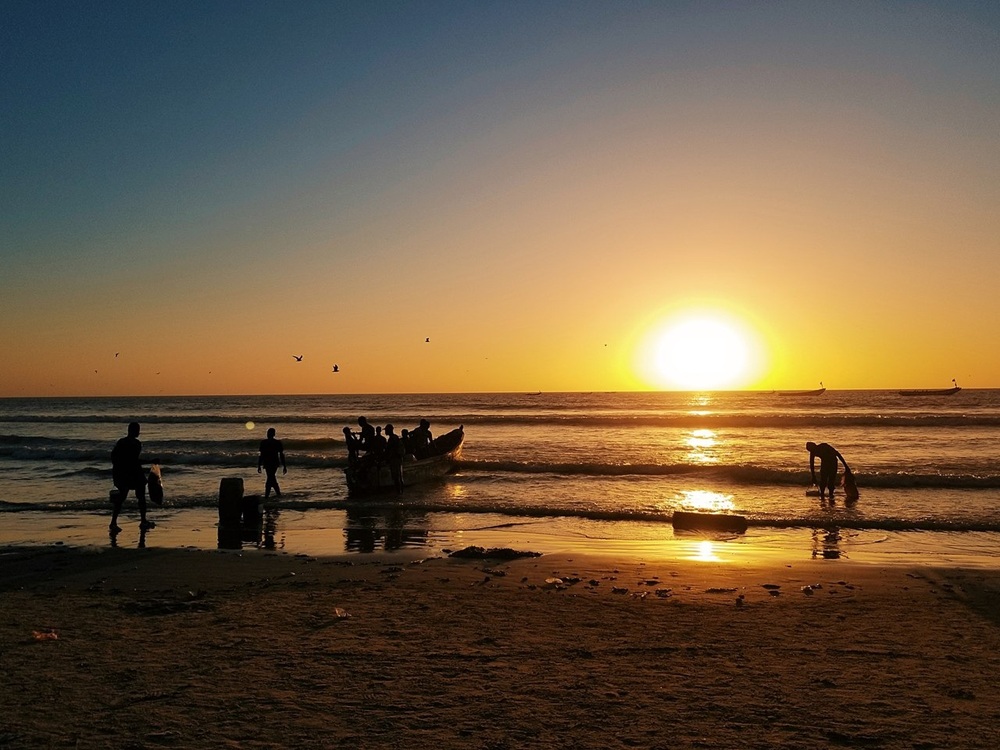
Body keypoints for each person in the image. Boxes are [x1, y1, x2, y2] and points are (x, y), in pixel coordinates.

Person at [110, 421, 153, 532]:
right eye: (138, 430)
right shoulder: (136, 444)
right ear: (134, 431)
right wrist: (150, 461)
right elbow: (135, 460)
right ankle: (143, 521)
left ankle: (113, 522)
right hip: (134, 473)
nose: (139, 432)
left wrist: (116, 473)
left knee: (121, 499)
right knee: (141, 498)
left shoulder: (121, 442)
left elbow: (114, 457)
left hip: (122, 473)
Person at [258, 427, 287, 499]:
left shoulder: (265, 442)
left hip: (270, 462)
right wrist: (284, 465)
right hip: (271, 463)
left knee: (270, 478)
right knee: (271, 478)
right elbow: (281, 455)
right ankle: (277, 494)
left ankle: (267, 496)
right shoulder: (275, 443)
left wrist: (259, 465)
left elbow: (281, 454)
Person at [384, 424, 405, 494]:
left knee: (396, 477)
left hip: (395, 459)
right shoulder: (395, 437)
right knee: (398, 476)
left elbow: (389, 450)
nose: (385, 431)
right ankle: (400, 492)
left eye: (386, 430)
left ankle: (399, 492)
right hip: (397, 459)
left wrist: (387, 458)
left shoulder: (392, 439)